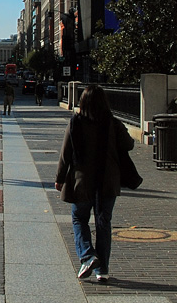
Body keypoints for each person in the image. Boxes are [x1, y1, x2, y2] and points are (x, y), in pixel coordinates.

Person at [54, 84, 135, 284]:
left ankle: (88, 256)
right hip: (107, 181)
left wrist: (60, 178)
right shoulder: (112, 123)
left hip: (82, 182)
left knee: (79, 219)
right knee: (103, 223)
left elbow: (65, 154)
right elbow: (129, 144)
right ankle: (103, 270)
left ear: (82, 102)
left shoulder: (76, 123)